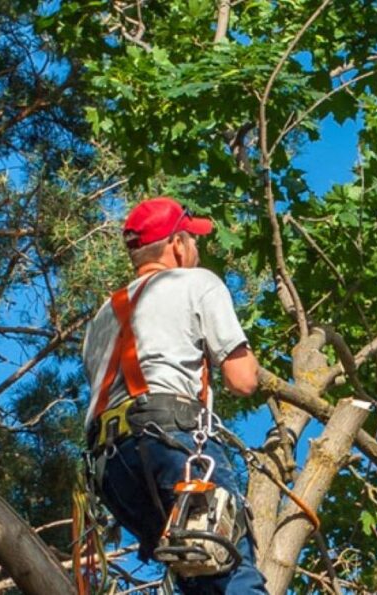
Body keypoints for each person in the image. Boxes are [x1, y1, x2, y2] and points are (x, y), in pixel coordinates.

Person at [82, 196, 268, 594]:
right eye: (193, 241)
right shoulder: (196, 282)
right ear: (177, 245)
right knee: (231, 567)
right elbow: (243, 380)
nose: (197, 250)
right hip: (173, 441)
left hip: (111, 467)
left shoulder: (101, 319)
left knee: (196, 570)